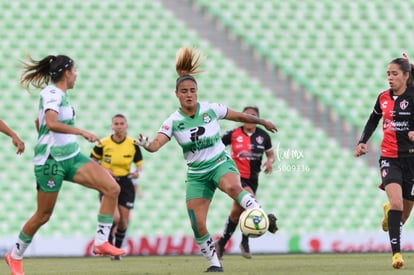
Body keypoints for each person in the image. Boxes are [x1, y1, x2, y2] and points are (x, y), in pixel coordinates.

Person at [136, 46, 278, 273]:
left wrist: (262, 122)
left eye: (192, 90)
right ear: (177, 94)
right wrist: (146, 144)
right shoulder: (173, 121)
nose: (189, 94)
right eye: (184, 91)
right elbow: (155, 145)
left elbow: (240, 116)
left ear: (197, 91)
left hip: (220, 164)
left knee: (233, 186)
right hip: (197, 176)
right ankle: (215, 264)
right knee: (197, 223)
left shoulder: (211, 109)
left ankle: (260, 215)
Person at [4, 54, 125, 275]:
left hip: (72, 156)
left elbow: (40, 122)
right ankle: (15, 255)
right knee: (43, 215)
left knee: (112, 188)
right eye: (75, 71)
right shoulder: (51, 93)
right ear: (67, 72)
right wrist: (81, 131)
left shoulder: (61, 95)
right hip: (51, 162)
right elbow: (50, 123)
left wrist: (44, 129)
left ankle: (100, 241)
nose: (76, 75)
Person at [354, 55, 414, 269]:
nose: (390, 78)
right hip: (389, 157)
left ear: (406, 76)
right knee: (398, 204)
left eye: (395, 74)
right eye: (388, 74)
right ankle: (396, 255)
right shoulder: (383, 98)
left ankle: (390, 212)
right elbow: (373, 119)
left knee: (404, 211)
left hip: (411, 159)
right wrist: (362, 142)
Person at [215, 106, 277, 260]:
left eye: (253, 115)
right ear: (243, 117)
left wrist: (270, 162)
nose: (250, 118)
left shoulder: (263, 136)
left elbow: (270, 154)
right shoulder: (233, 134)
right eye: (247, 115)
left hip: (253, 178)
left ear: (257, 118)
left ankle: (222, 243)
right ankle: (262, 223)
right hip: (236, 177)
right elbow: (217, 147)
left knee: (236, 214)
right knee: (248, 198)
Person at [90, 113, 143, 260]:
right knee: (115, 218)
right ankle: (110, 245)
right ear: (112, 126)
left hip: (126, 183)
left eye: (121, 124)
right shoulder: (103, 143)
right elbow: (92, 161)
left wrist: (138, 173)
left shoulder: (133, 144)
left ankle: (117, 251)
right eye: (116, 124)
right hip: (107, 182)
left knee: (123, 221)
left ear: (126, 126)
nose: (119, 126)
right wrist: (104, 168)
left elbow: (139, 163)